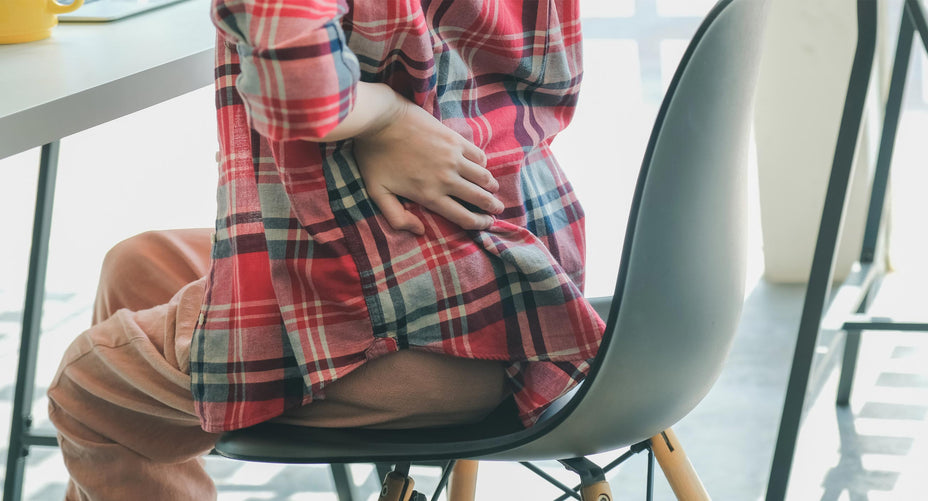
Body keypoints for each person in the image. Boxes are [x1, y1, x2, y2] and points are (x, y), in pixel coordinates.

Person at [46, 0, 605, 499]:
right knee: (139, 266)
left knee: (87, 386)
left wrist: (385, 116)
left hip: (421, 340)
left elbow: (297, 84)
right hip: (529, 300)